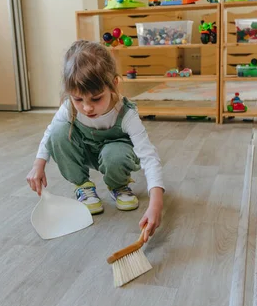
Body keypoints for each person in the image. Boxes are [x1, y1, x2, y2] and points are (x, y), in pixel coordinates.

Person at [26, 40, 164, 242]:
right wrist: (39, 164)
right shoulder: (70, 107)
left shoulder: (126, 115)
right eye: (78, 99)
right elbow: (49, 134)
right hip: (87, 152)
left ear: (114, 85)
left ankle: (118, 185)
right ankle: (83, 186)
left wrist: (156, 204)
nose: (87, 108)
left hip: (117, 155)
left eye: (96, 99)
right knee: (57, 132)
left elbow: (149, 158)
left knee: (113, 154)